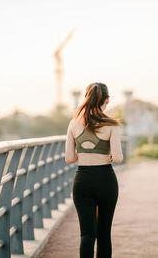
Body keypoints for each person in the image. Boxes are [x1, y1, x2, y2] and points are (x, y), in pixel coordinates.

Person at [65, 82, 123, 258]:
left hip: (82, 181)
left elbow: (69, 158)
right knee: (104, 234)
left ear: (86, 98)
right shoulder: (111, 124)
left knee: (87, 234)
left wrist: (84, 153)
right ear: (106, 100)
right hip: (105, 179)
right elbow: (118, 158)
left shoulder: (74, 124)